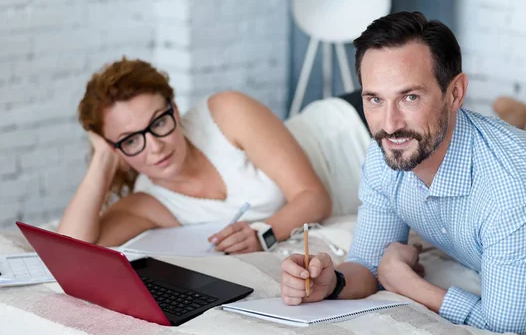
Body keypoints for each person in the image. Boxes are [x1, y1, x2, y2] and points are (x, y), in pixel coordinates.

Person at [279, 11, 526, 335]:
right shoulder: (386, 155)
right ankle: (522, 117)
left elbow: (506, 328)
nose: (390, 125)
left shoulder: (518, 191)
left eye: (410, 97)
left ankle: (524, 118)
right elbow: (369, 265)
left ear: (455, 93)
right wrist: (331, 281)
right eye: (375, 99)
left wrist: (407, 283)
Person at [57, 58, 332, 253]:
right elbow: (70, 254)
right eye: (130, 140)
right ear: (116, 149)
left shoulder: (226, 113)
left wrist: (263, 234)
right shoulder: (147, 204)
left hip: (351, 131)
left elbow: (314, 196)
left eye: (158, 123)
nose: (155, 147)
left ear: (174, 109)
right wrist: (102, 159)